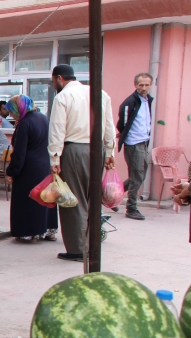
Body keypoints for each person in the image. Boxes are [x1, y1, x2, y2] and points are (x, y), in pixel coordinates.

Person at [47, 64, 116, 261]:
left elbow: (57, 129)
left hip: (74, 150)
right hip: (98, 150)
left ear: (59, 78)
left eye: (53, 82)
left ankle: (77, 249)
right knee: (92, 200)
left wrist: (54, 158)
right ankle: (92, 245)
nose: (54, 86)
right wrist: (110, 152)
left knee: (72, 199)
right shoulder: (100, 93)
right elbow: (109, 125)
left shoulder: (63, 97)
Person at [4, 95, 58, 242]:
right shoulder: (43, 118)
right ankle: (48, 230)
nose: (11, 115)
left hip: (28, 169)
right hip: (44, 166)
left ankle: (30, 233)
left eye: (12, 111)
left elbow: (19, 152)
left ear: (18, 109)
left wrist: (12, 171)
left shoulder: (24, 124)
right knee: (44, 197)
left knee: (28, 201)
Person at [115, 72, 153, 221]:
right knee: (136, 176)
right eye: (141, 85)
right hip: (133, 143)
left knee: (139, 175)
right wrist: (123, 134)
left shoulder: (147, 100)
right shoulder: (130, 102)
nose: (144, 87)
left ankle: (109, 195)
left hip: (143, 142)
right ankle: (131, 208)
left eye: (147, 85)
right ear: (135, 85)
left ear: (150, 85)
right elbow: (122, 123)